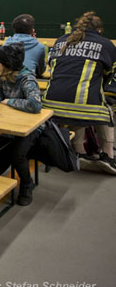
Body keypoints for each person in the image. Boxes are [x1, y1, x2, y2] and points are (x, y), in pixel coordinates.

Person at [42, 12, 116, 175]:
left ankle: (79, 152)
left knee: (78, 106)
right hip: (81, 105)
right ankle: (108, 156)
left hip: (50, 103)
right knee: (104, 108)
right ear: (99, 30)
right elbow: (109, 74)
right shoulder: (105, 44)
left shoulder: (61, 40)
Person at [0, 42, 44, 205]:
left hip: (31, 128)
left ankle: (27, 184)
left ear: (6, 65)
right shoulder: (1, 78)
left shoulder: (27, 79)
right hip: (8, 125)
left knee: (17, 155)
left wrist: (9, 101)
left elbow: (35, 105)